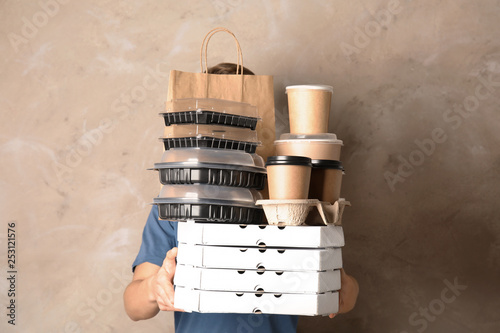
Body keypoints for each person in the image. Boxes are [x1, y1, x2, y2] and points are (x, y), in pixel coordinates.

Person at [123, 63, 359, 332]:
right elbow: (133, 306)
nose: (227, 138)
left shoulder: (290, 197)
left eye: (240, 125)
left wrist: (341, 287)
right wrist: (154, 287)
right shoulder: (177, 204)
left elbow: (347, 292)